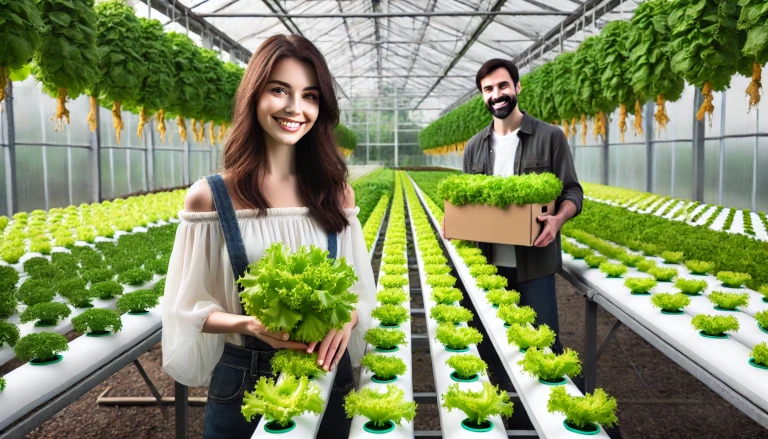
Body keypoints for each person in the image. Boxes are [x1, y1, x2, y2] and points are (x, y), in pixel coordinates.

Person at [161, 34, 376, 438]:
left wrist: (346, 317)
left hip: (326, 370)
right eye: (280, 90)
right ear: (254, 96)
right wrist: (252, 324)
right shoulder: (210, 197)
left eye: (310, 95)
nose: (296, 108)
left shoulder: (336, 193)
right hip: (245, 377)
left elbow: (358, 290)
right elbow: (185, 308)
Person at [444, 58, 582, 371]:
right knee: (490, 347)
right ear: (482, 95)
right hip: (488, 263)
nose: (497, 94)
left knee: (544, 347)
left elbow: (573, 192)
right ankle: (503, 412)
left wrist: (557, 220)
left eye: (503, 85)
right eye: (488, 89)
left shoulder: (550, 137)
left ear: (517, 87)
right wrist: (453, 220)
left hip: (535, 265)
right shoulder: (473, 147)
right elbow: (469, 200)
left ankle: (546, 414)